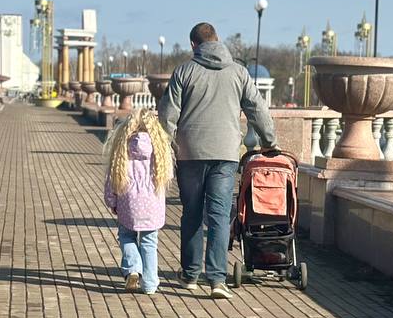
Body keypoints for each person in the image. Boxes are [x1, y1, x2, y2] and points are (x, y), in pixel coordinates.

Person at [159, 22, 276, 299]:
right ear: (218, 40)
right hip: (225, 155)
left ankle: (189, 275)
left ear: (193, 45)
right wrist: (270, 142)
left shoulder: (184, 71)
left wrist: (166, 144)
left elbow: (167, 116)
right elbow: (257, 109)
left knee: (192, 214)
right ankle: (217, 280)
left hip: (190, 154)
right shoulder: (239, 72)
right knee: (220, 216)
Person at [103, 108, 174, 295]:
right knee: (150, 242)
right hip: (152, 206)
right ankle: (150, 284)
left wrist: (112, 201)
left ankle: (133, 269)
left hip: (128, 204)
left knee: (127, 236)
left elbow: (112, 180)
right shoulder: (159, 150)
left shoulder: (122, 149)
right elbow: (168, 176)